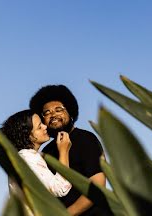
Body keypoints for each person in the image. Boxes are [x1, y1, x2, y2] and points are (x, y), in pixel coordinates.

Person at [30, 85, 106, 216]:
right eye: (46, 113)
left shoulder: (86, 139)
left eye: (58, 109)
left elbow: (98, 185)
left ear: (70, 113)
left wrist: (66, 214)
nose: (52, 114)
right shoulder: (46, 151)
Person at [0, 109, 73, 197]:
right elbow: (61, 188)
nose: (45, 126)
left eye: (42, 123)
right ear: (28, 136)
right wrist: (64, 151)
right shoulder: (28, 158)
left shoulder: (22, 158)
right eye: (39, 127)